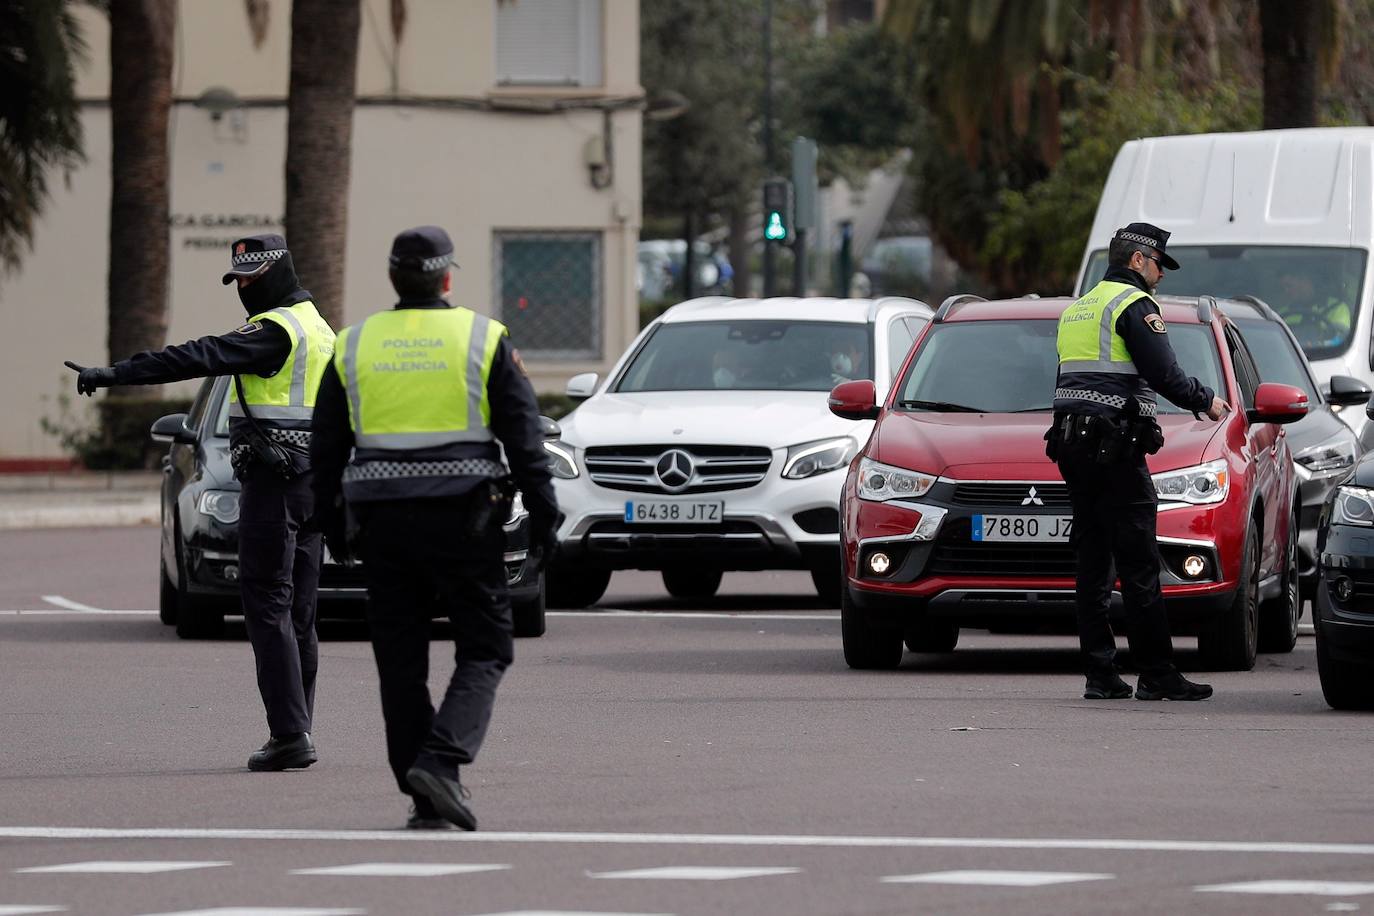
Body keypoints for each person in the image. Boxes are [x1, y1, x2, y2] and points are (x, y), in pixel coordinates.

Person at [309, 226, 557, 831]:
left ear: (394, 278)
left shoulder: (354, 344)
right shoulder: (481, 337)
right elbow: (524, 436)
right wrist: (545, 510)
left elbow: (325, 450)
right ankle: (442, 762)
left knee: (400, 661)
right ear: (448, 278)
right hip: (465, 523)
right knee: (487, 647)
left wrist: (331, 524)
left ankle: (424, 796)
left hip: (382, 526)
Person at [65, 234, 336, 768]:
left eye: (252, 279)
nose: (244, 289)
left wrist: (117, 373)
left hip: (275, 483)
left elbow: (198, 355)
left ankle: (289, 735)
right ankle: (298, 725)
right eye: (238, 281)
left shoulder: (275, 331)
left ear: (278, 272)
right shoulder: (320, 328)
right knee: (300, 613)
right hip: (313, 483)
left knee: (268, 605)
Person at [1045, 222, 1228, 702]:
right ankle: (1156, 673)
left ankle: (1100, 674)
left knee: (1091, 561)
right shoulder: (1134, 306)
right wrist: (1204, 400)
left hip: (1071, 445)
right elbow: (1163, 373)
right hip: (1114, 447)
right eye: (1157, 266)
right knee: (1140, 561)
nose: (1161, 277)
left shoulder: (1078, 308)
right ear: (1137, 261)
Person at [1274, 269, 1352, 352]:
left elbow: (1340, 339)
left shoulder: (1337, 307)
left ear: (1305, 281)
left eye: (1289, 286)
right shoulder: (1281, 314)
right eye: (1283, 288)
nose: (1286, 291)